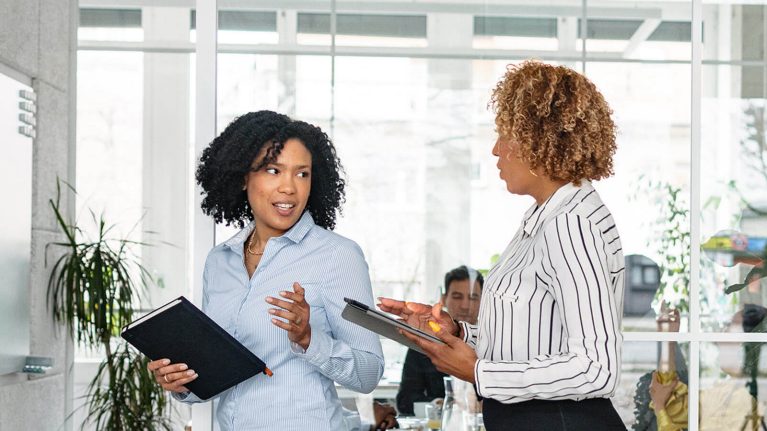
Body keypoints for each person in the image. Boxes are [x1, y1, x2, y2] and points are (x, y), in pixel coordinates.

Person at [379, 60, 626, 430]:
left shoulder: (570, 224)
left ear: (539, 140)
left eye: (504, 135)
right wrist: (455, 332)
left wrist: (479, 372)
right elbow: (532, 340)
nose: (496, 150)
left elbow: (595, 369)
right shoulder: (546, 219)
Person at [146, 110, 384, 430]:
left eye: (302, 174)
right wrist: (184, 382)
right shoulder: (220, 261)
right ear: (243, 176)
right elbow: (218, 370)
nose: (289, 187)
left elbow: (368, 373)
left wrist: (308, 338)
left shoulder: (338, 256)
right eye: (273, 170)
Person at [396, 265, 484, 416]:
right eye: (457, 297)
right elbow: (405, 400)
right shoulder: (423, 343)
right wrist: (440, 405)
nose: (465, 305)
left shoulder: (495, 344)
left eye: (473, 297)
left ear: (483, 300)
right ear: (443, 299)